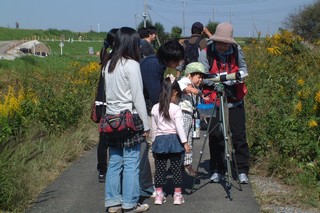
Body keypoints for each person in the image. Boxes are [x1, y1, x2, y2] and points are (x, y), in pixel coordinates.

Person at [102, 27, 150, 213]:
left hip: (111, 119)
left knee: (114, 161)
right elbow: (137, 97)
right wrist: (146, 124)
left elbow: (107, 94)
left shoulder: (108, 64)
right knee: (131, 162)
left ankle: (112, 203)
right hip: (129, 119)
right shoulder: (132, 65)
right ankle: (129, 204)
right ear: (132, 43)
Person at [204, 22, 250, 184]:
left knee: (238, 134)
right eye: (219, 43)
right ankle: (218, 168)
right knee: (215, 134)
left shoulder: (237, 51)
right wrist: (215, 81)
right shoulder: (207, 51)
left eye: (225, 43)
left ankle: (242, 169)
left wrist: (236, 77)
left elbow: (244, 69)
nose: (222, 46)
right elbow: (202, 74)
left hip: (234, 98)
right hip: (213, 98)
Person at [139, 40, 184, 197]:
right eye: (177, 60)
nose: (178, 63)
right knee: (152, 148)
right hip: (145, 111)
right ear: (170, 57)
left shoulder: (157, 63)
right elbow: (154, 96)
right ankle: (150, 185)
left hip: (147, 109)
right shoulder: (153, 66)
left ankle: (150, 184)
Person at [150, 77, 191, 205]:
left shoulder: (155, 107)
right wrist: (185, 142)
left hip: (160, 141)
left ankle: (159, 195)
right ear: (174, 93)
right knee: (176, 169)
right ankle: (177, 195)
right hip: (174, 141)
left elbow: (154, 128)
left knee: (160, 170)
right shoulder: (176, 108)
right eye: (178, 96)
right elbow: (180, 127)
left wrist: (153, 142)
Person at [96, 28, 118, 182]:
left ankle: (102, 170)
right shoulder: (114, 59)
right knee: (112, 139)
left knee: (104, 139)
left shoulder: (107, 57)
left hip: (102, 102)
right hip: (108, 102)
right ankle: (105, 170)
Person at [177, 62, 207, 176]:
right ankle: (179, 163)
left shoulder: (194, 86)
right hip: (183, 113)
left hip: (191, 115)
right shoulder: (184, 81)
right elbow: (180, 86)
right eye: (199, 77)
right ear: (190, 75)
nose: (201, 80)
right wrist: (194, 91)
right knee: (183, 138)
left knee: (189, 139)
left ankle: (187, 163)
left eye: (202, 77)